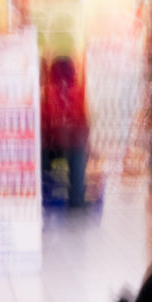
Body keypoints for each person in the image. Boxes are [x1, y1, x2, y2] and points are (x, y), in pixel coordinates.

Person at [40, 56, 89, 209]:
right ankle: (76, 200)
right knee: (78, 158)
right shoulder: (78, 91)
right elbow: (83, 120)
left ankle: (44, 195)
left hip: (50, 145)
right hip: (73, 144)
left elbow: (43, 119)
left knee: (41, 160)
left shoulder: (47, 91)